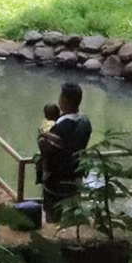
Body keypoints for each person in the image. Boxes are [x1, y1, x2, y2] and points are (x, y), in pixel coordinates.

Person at [38, 83, 92, 223]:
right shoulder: (85, 122)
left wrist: (42, 136)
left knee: (53, 216)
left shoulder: (61, 127)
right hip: (75, 176)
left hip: (57, 179)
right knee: (71, 217)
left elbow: (49, 150)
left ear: (65, 100)